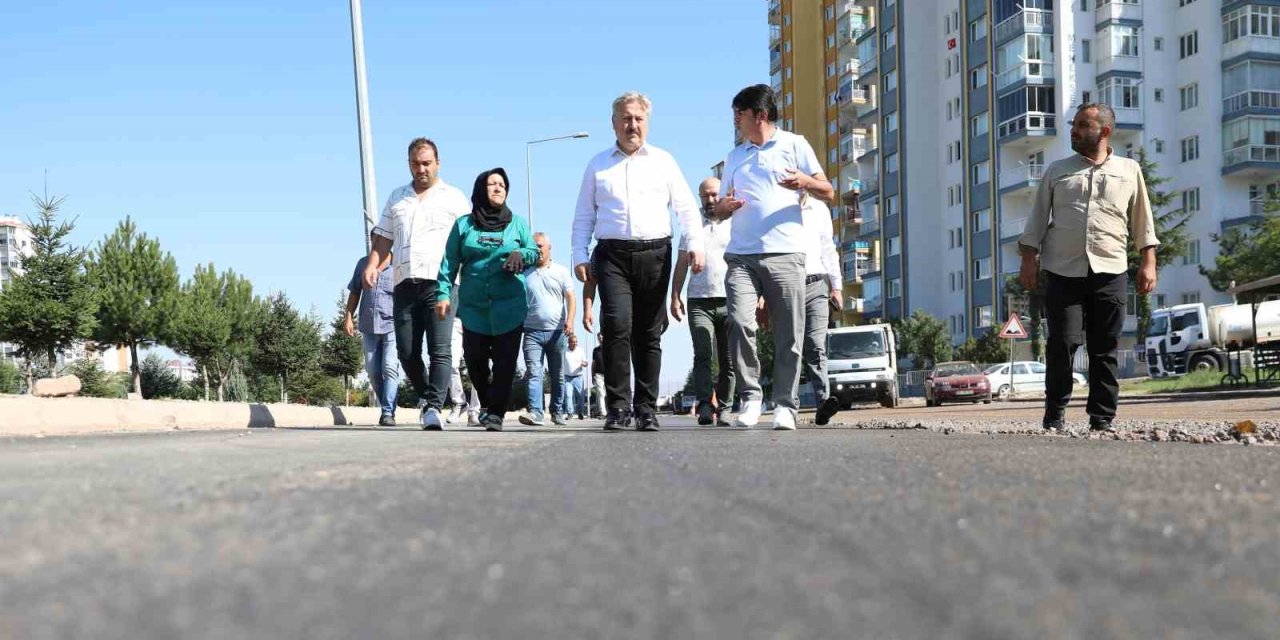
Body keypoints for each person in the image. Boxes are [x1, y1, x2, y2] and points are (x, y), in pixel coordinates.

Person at [1018, 103, 1158, 433]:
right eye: (1074, 124)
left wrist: (1148, 262)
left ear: (1104, 132)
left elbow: (1142, 221)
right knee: (1062, 343)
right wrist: (1028, 258)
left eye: (1082, 125)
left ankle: (1102, 419)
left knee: (1104, 347)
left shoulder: (1128, 170)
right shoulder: (1057, 170)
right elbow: (1037, 218)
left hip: (1111, 270)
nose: (1074, 130)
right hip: (1063, 271)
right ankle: (1054, 416)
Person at [571, 91, 705, 431]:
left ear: (647, 122)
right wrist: (579, 255)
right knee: (615, 326)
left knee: (649, 332)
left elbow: (687, 209)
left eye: (638, 119)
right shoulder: (598, 164)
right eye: (626, 119)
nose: (632, 125)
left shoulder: (664, 161)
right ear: (614, 123)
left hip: (656, 254)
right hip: (612, 255)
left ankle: (646, 407)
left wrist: (696, 246)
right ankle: (617, 408)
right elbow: (584, 216)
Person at [713, 84, 833, 430]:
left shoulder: (795, 144)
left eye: (740, 112)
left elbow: (829, 191)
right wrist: (724, 207)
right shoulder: (735, 156)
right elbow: (720, 210)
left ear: (760, 115)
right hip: (742, 255)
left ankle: (785, 404)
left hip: (786, 253)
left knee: (789, 333)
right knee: (738, 321)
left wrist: (804, 181)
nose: (735, 119)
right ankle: (750, 398)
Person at [364, 138, 470, 430]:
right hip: (404, 284)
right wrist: (373, 264)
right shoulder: (397, 198)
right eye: (415, 163)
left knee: (440, 349)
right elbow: (384, 237)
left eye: (426, 163)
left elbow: (467, 242)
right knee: (407, 352)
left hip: (441, 284)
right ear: (409, 164)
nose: (421, 169)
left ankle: (435, 406)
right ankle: (427, 396)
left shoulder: (455, 198)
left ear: (437, 163)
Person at [436, 168, 540, 432]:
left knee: (505, 365)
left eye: (502, 185)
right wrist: (442, 293)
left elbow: (533, 251)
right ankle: (487, 403)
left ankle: (495, 414)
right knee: (474, 360)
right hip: (474, 308)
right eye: (492, 184)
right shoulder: (463, 225)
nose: (498, 188)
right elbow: (449, 262)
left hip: (510, 306)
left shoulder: (517, 223)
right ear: (481, 189)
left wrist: (520, 254)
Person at [670, 176, 735, 427]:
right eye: (705, 195)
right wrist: (675, 295)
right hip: (699, 299)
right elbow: (682, 262)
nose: (710, 200)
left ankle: (727, 407)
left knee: (729, 357)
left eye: (714, 194)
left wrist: (758, 292)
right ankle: (706, 405)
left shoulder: (735, 220)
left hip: (730, 298)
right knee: (703, 353)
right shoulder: (692, 223)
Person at [520, 232, 576, 426]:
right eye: (534, 247)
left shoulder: (561, 271)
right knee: (534, 372)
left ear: (549, 248)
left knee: (557, 375)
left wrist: (570, 320)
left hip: (557, 332)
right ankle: (535, 412)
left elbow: (570, 297)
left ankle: (557, 411)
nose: (537, 250)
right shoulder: (524, 273)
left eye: (540, 246)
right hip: (531, 332)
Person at [799, 197, 843, 426]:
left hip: (818, 283)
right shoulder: (775, 204)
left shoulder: (819, 208)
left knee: (815, 345)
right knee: (791, 347)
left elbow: (829, 248)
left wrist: (836, 287)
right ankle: (788, 405)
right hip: (787, 283)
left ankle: (823, 403)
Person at [344, 254, 400, 426]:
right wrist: (348, 317)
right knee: (372, 371)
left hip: (393, 324)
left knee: (389, 367)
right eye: (374, 238)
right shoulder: (363, 263)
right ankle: (388, 404)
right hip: (368, 324)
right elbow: (355, 291)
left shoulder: (398, 263)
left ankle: (387, 412)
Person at [446, 311, 481, 425]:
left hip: (478, 318)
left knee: (479, 366)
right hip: (454, 319)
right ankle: (459, 403)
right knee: (450, 364)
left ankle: (475, 411)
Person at [561, 333, 589, 420]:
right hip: (567, 377)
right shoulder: (564, 350)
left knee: (581, 395)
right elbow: (560, 363)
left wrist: (583, 363)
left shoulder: (580, 350)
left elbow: (586, 363)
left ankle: (580, 411)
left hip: (578, 377)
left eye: (576, 342)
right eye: (573, 342)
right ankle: (570, 413)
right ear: (569, 342)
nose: (575, 344)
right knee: (568, 395)